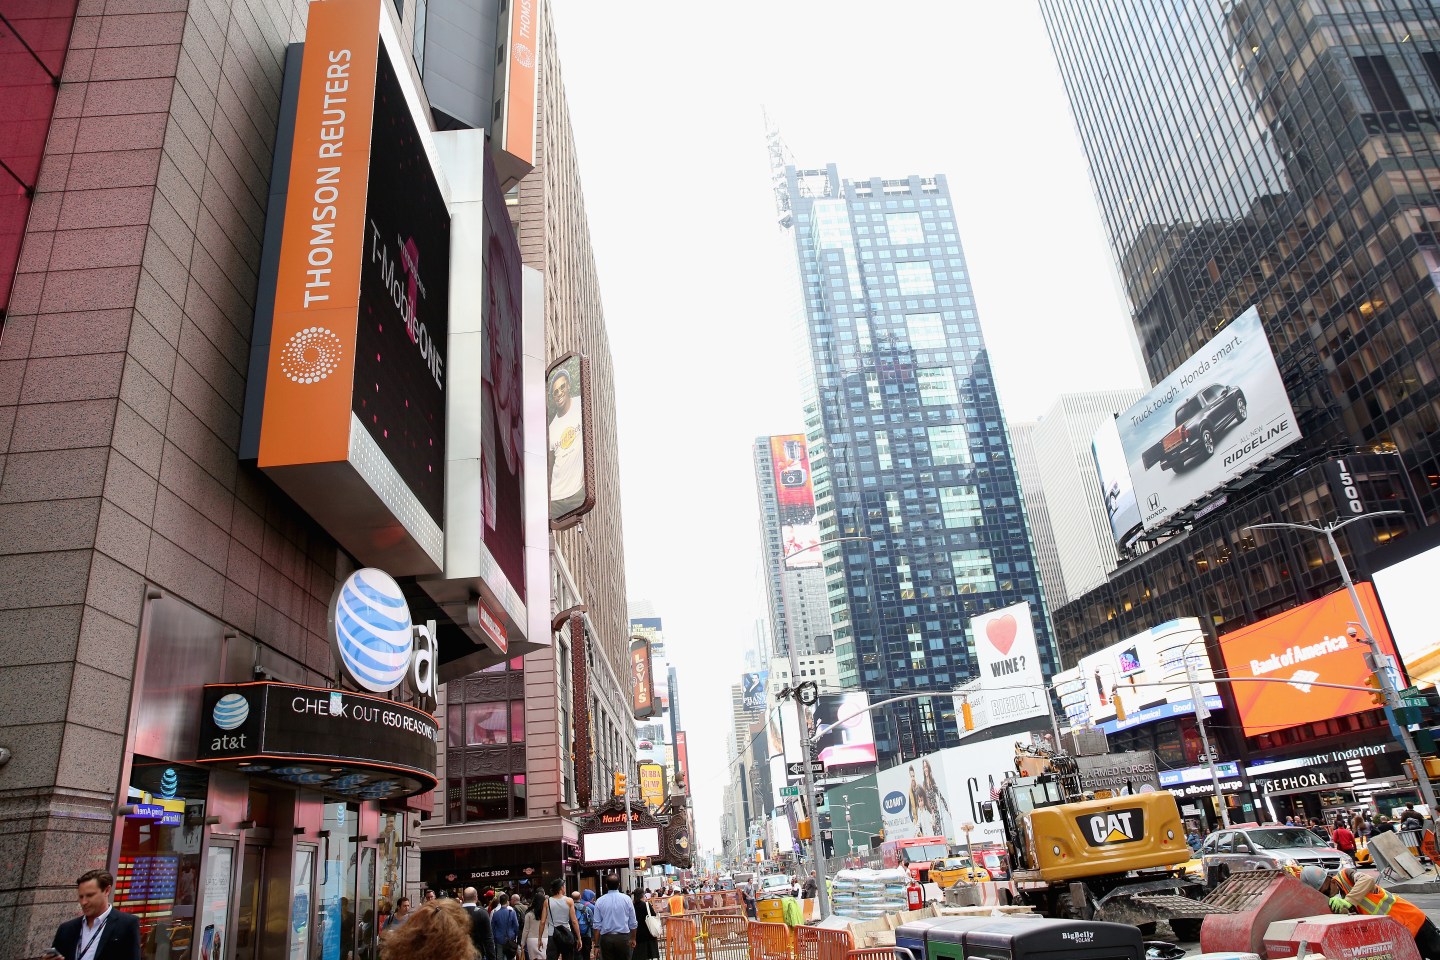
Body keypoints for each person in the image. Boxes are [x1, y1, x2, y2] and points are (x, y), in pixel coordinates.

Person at [1298, 865, 1440, 960]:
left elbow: (1367, 880)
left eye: (1326, 891)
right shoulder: (1335, 902)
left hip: (1411, 921)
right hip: (1397, 934)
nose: (1328, 896)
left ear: (1331, 881)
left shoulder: (1346, 875)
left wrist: (1349, 900)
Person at [48, 869, 141, 960]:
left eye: (90, 895)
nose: (83, 902)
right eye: (81, 897)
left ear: (107, 891)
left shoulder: (127, 924)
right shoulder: (66, 929)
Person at [379, 897, 477, 960]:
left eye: (408, 905)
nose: (407, 908)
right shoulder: (391, 918)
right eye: (405, 906)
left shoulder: (401, 950)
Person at [592, 874, 637, 960]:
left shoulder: (600, 901)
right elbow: (633, 923)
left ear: (606, 885)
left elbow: (597, 925)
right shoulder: (627, 899)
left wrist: (597, 945)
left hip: (606, 939)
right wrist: (633, 938)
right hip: (623, 938)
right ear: (619, 884)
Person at [538, 879, 580, 960]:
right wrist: (579, 937)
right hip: (566, 933)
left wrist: (540, 938)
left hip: (552, 934)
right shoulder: (569, 901)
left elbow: (542, 922)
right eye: (564, 886)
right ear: (561, 888)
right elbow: (574, 921)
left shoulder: (547, 901)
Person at [462, 888, 496, 960]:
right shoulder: (482, 913)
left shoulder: (454, 913)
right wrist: (492, 957)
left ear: (463, 897)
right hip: (477, 954)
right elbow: (488, 939)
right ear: (476, 897)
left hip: (459, 954)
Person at [631, 890, 660, 960]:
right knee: (648, 955)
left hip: (637, 935)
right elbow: (653, 915)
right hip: (648, 934)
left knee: (639, 956)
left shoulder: (632, 906)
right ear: (643, 896)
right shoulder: (646, 905)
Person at [492, 891, 520, 960]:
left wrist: (494, 937)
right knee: (511, 957)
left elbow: (492, 927)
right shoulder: (512, 912)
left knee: (500, 957)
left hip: (499, 938)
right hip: (510, 937)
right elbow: (516, 926)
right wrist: (516, 935)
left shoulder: (495, 914)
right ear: (507, 901)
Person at [522, 894, 544, 960]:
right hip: (544, 938)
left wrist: (522, 943)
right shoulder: (546, 914)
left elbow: (526, 930)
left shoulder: (529, 914)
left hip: (531, 939)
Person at [574, 890, 595, 960]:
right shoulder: (589, 907)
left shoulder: (570, 908)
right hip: (586, 934)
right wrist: (593, 937)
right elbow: (592, 923)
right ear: (580, 897)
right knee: (586, 954)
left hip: (574, 935)